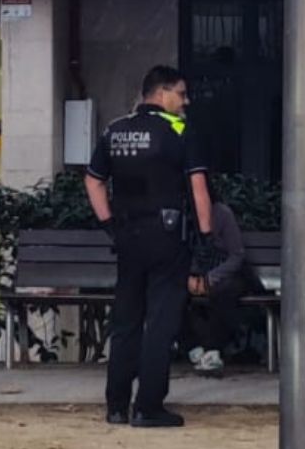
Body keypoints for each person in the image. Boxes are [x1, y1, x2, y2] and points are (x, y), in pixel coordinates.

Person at [85, 65, 216, 428]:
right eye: (181, 93)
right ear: (161, 94)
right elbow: (198, 188)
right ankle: (148, 406)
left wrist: (109, 223)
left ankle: (115, 404)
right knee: (160, 321)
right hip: (167, 236)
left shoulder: (115, 130)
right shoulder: (179, 131)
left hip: (128, 237)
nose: (185, 102)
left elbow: (93, 181)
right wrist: (206, 239)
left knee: (126, 320)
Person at [184, 200, 250, 378]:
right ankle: (193, 347)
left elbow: (237, 256)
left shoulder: (222, 213)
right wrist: (189, 277)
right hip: (194, 275)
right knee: (171, 294)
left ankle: (213, 349)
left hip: (227, 275)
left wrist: (210, 279)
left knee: (224, 293)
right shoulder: (183, 213)